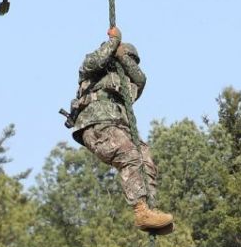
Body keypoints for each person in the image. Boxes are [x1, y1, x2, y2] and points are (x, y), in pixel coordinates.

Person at [68, 27, 174, 233]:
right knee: (131, 155)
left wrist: (122, 55)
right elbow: (96, 60)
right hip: (97, 124)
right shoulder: (91, 71)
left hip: (117, 127)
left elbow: (140, 79)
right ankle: (141, 210)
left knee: (145, 157)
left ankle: (148, 207)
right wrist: (114, 43)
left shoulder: (129, 85)